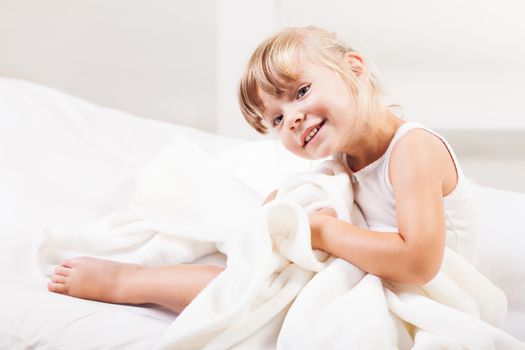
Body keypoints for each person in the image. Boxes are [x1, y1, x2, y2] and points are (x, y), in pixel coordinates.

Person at [48, 25, 475, 314]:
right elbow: (321, 196)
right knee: (257, 273)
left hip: (420, 294)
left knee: (266, 296)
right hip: (374, 275)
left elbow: (418, 263)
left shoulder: (413, 149)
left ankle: (130, 285)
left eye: (301, 91)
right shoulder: (344, 160)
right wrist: (286, 211)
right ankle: (140, 277)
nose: (291, 118)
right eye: (275, 119)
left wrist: (322, 231)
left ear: (354, 69)